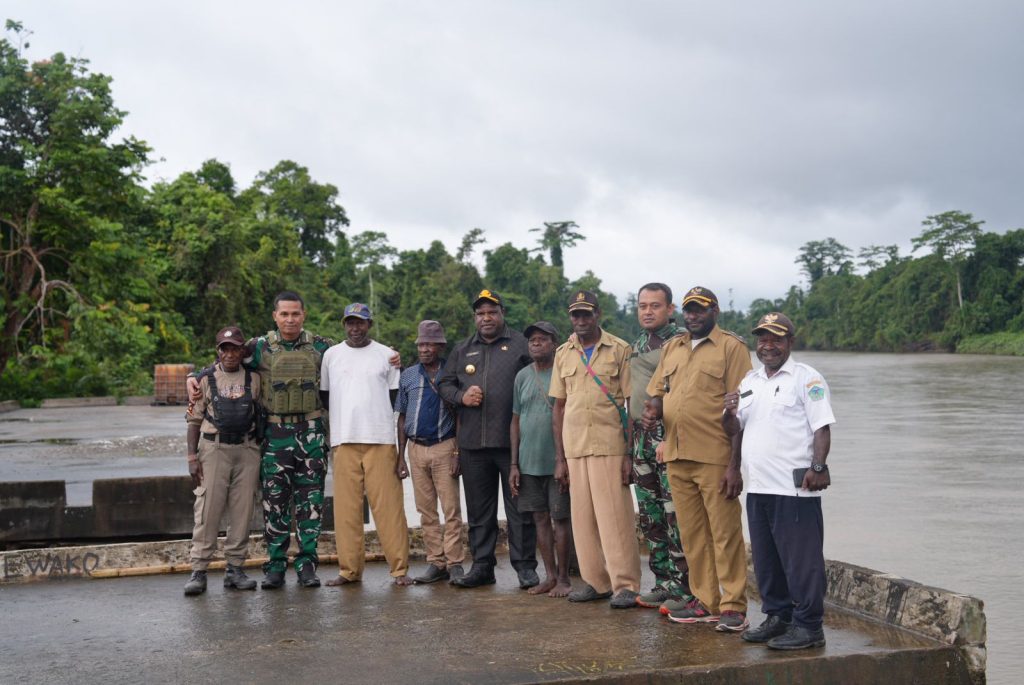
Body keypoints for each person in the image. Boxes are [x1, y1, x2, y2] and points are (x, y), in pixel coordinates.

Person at [188, 291, 400, 590]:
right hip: (275, 435)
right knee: (275, 503)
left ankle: (306, 566)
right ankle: (275, 566)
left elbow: (356, 351)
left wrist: (389, 354)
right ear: (275, 316)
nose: (290, 319)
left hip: (311, 432)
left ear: (304, 315)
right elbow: (226, 359)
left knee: (310, 504)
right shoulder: (259, 347)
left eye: (295, 314)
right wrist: (194, 375)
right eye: (284, 314)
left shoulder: (322, 347)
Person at [723, 312, 835, 650]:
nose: (767, 345)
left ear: (790, 342)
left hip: (794, 489)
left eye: (776, 338)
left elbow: (822, 427)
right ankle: (778, 617)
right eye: (763, 339)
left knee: (802, 563)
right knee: (768, 561)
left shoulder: (807, 378)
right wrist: (727, 414)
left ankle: (809, 627)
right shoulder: (750, 381)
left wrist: (818, 466)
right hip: (758, 486)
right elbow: (734, 431)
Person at [643, 286, 753, 631]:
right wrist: (653, 411)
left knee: (725, 533)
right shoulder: (673, 347)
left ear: (714, 312)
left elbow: (744, 409)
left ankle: (734, 604)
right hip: (677, 454)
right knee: (692, 535)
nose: (693, 316)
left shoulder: (731, 348)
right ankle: (706, 601)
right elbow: (659, 393)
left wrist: (735, 465)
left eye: (700, 310)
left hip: (715, 457)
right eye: (689, 310)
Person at [439, 289, 538, 589]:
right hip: (472, 445)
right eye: (480, 313)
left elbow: (540, 378)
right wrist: (461, 395)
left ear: (502, 313)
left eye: (491, 312)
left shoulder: (521, 344)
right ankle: (482, 566)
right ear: (475, 317)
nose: (486, 318)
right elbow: (443, 384)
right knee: (479, 511)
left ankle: (524, 568)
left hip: (512, 445)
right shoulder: (461, 349)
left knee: (519, 509)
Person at [551, 290, 642, 609]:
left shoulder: (619, 349)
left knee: (615, 518)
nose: (580, 320)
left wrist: (630, 454)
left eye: (586, 314)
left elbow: (631, 403)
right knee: (583, 519)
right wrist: (560, 458)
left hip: (609, 445)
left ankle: (626, 584)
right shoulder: (563, 353)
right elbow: (558, 406)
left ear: (597, 315)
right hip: (575, 448)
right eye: (575, 314)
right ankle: (596, 582)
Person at [321, 303, 411, 586]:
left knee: (390, 510)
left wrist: (400, 450)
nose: (355, 328)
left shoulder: (387, 355)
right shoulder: (331, 355)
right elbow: (325, 397)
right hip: (344, 440)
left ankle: (399, 570)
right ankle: (349, 571)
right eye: (350, 322)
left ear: (369, 324)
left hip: (381, 440)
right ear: (343, 324)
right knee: (346, 512)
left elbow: (398, 401)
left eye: (360, 323)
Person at [183, 326, 261, 596]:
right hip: (214, 449)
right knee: (208, 510)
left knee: (242, 511)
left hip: (247, 449)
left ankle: (235, 569)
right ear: (218, 351)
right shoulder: (204, 379)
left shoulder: (255, 379)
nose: (230, 354)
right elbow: (193, 420)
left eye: (235, 348)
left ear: (242, 351)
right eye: (224, 349)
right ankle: (199, 570)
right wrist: (191, 456)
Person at [628, 283, 691, 611]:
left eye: (655, 305)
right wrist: (630, 446)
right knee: (651, 514)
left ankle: (685, 588)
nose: (648, 311)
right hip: (641, 438)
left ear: (670, 309)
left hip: (669, 436)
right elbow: (632, 397)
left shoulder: (681, 342)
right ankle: (663, 581)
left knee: (674, 512)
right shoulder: (637, 343)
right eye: (642, 306)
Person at [396, 320, 465, 584]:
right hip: (416, 448)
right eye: (421, 344)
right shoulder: (409, 375)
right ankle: (436, 563)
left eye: (430, 344)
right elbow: (402, 417)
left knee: (451, 509)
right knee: (426, 511)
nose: (424, 349)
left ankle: (455, 562)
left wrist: (458, 451)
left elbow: (460, 413)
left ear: (440, 346)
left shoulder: (451, 373)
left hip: (445, 445)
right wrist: (400, 455)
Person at [509, 321, 573, 598]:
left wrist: (564, 459)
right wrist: (514, 464)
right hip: (528, 461)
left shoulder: (564, 373)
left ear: (554, 344)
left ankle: (564, 578)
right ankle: (548, 576)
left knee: (561, 519)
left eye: (542, 339)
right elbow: (515, 420)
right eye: (532, 340)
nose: (536, 343)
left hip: (557, 461)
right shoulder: (522, 376)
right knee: (539, 519)